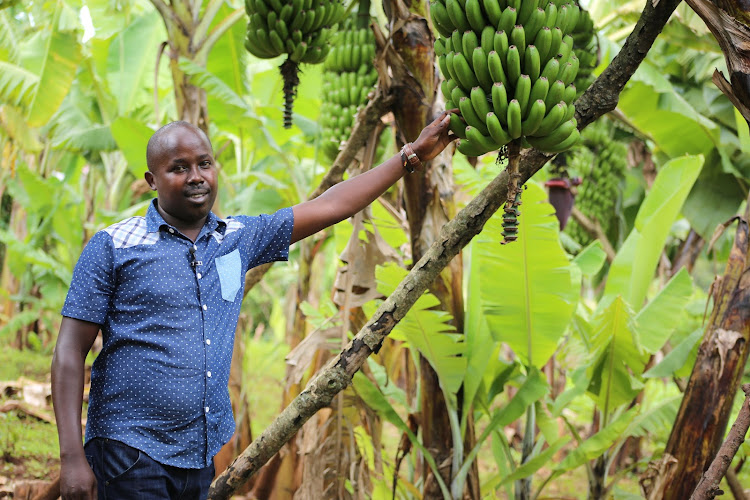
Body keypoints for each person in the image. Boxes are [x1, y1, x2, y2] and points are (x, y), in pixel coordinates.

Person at [51, 111, 456, 499]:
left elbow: (333, 206)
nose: (196, 177)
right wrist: (71, 457)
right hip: (130, 451)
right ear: (151, 180)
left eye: (204, 164)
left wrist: (412, 154)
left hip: (197, 455)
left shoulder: (237, 238)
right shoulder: (114, 246)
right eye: (179, 168)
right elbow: (70, 352)